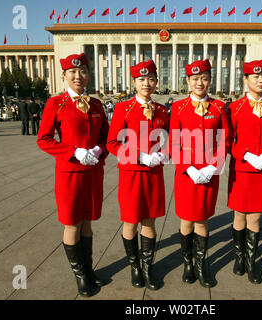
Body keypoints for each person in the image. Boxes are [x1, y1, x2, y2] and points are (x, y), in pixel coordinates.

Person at [37, 53, 110, 297]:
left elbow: (106, 138)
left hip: (93, 173)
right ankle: (80, 276)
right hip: (70, 173)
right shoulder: (55, 104)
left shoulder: (97, 104)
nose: (78, 76)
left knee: (88, 222)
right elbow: (44, 139)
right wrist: (73, 151)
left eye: (83, 72)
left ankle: (89, 270)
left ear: (88, 74)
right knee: (72, 223)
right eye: (73, 72)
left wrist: (100, 149)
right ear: (65, 75)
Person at [106, 60, 169, 291]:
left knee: (149, 222)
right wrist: (139, 157)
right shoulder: (123, 108)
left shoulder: (162, 109)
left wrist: (163, 154)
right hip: (131, 174)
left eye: (151, 79)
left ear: (156, 82)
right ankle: (134, 267)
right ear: (134, 82)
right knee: (131, 221)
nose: (146, 83)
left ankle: (147, 267)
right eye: (141, 79)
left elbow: (168, 139)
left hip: (154, 175)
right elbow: (112, 143)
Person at [169, 59, 230, 288]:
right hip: (187, 175)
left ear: (210, 80)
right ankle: (188, 264)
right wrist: (189, 168)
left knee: (203, 220)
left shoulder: (218, 107)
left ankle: (202, 264)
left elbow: (225, 140)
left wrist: (213, 166)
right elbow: (174, 143)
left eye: (204, 78)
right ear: (187, 81)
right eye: (195, 79)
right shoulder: (178, 107)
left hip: (209, 172)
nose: (200, 83)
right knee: (186, 220)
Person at [227, 59, 262, 284]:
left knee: (256, 218)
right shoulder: (235, 107)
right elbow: (228, 140)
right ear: (245, 80)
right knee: (240, 215)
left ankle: (250, 261)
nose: (261, 80)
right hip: (242, 170)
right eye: (256, 77)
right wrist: (247, 155)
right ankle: (239, 256)